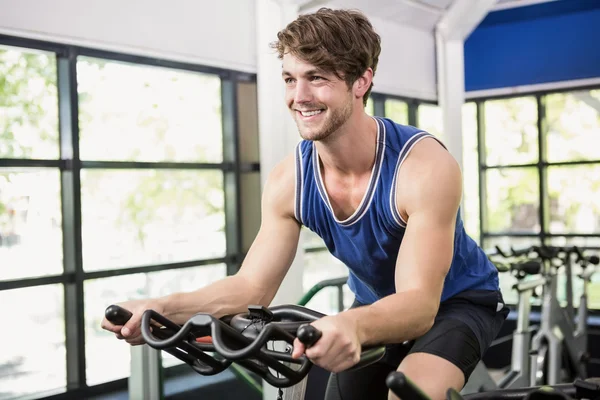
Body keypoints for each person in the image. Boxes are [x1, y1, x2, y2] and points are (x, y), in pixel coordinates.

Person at [101, 8, 508, 400]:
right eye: (290, 79)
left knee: (407, 393)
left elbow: (419, 305)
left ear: (361, 81)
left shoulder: (422, 167)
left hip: (459, 303)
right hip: (374, 306)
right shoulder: (289, 181)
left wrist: (349, 323)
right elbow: (251, 286)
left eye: (317, 78)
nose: (299, 96)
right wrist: (162, 308)